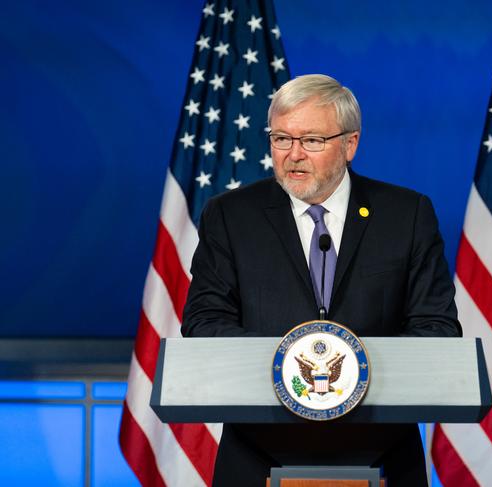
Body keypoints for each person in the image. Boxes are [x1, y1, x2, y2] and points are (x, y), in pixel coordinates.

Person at [182, 74, 462, 487]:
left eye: (311, 140)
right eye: (281, 139)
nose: (293, 155)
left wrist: (351, 365)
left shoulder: (406, 215)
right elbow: (204, 322)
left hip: (382, 454)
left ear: (350, 144)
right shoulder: (230, 216)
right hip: (258, 455)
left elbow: (437, 329)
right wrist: (292, 359)